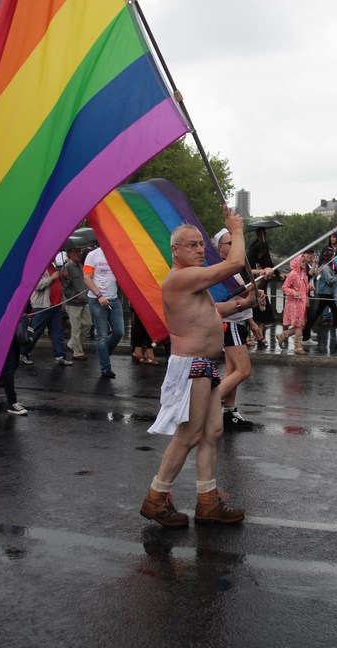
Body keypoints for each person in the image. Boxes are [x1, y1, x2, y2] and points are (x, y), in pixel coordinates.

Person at [139, 209, 247, 527]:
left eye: (201, 245)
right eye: (192, 245)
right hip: (192, 365)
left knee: (212, 432)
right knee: (189, 436)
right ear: (175, 251)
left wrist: (245, 303)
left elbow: (213, 311)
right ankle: (156, 499)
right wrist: (236, 230)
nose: (200, 250)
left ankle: (207, 501)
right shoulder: (181, 277)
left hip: (205, 365)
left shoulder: (193, 283)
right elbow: (235, 264)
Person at [212, 227, 270, 428]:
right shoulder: (223, 270)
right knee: (243, 370)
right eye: (230, 243)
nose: (235, 246)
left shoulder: (232, 269)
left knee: (232, 370)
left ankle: (228, 413)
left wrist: (251, 322)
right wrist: (263, 278)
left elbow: (245, 294)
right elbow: (247, 297)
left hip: (238, 323)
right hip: (231, 325)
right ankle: (207, 407)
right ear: (220, 247)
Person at [20, 263, 73, 367]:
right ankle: (23, 353)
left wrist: (63, 276)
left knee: (57, 331)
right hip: (43, 306)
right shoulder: (38, 266)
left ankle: (60, 356)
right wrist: (51, 278)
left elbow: (57, 284)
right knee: (36, 332)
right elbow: (36, 285)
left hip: (56, 305)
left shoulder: (52, 266)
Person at [82, 244, 123, 378]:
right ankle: (105, 368)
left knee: (118, 332)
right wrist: (99, 295)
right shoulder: (93, 255)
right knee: (102, 335)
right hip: (97, 300)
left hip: (114, 299)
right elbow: (87, 278)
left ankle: (104, 355)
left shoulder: (117, 253)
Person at [276, 254, 312, 355]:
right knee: (299, 325)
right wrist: (293, 293)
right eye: (303, 261)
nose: (305, 264)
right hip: (294, 304)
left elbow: (303, 288)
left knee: (301, 325)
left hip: (302, 304)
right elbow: (284, 287)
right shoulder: (293, 274)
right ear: (297, 262)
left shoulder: (304, 274)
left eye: (305, 262)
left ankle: (283, 336)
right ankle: (298, 347)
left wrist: (309, 287)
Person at [247, 226, 276, 345]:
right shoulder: (249, 256)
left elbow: (270, 265)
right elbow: (246, 270)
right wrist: (261, 271)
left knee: (263, 313)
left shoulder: (264, 255)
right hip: (252, 286)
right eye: (260, 253)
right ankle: (247, 337)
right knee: (249, 314)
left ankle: (261, 336)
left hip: (262, 286)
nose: (261, 254)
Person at [60, 247, 90, 361]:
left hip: (83, 301)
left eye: (79, 251)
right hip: (73, 302)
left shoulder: (81, 267)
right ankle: (77, 352)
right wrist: (74, 294)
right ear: (69, 254)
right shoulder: (66, 267)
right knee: (76, 328)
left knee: (88, 324)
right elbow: (65, 287)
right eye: (75, 251)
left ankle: (72, 344)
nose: (78, 253)